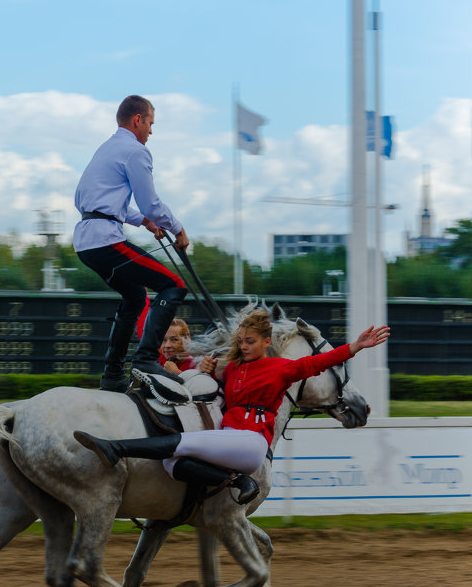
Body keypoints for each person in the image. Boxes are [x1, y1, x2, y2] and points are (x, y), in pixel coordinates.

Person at [75, 311, 390, 504]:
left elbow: (319, 361)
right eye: (241, 340)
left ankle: (116, 448)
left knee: (183, 444)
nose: (243, 346)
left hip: (251, 443)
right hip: (228, 439)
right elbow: (211, 391)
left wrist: (357, 346)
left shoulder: (282, 368)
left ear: (266, 342)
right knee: (173, 462)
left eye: (250, 341)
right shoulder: (233, 371)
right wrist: (209, 370)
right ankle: (233, 482)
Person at [73, 95, 190, 392]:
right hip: (105, 239)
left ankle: (112, 375)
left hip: (86, 241)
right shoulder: (135, 152)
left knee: (136, 297)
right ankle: (147, 359)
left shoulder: (107, 149)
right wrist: (177, 229)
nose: (152, 131)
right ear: (138, 120)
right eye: (150, 123)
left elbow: (97, 201)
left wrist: (144, 222)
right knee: (174, 284)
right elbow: (151, 203)